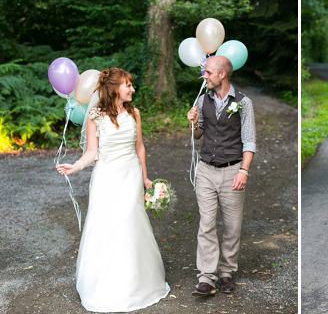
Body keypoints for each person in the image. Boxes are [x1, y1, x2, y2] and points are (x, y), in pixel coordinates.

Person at [56, 68, 170, 312]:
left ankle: (135, 284)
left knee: (129, 222)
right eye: (128, 85)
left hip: (130, 175)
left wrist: (145, 178)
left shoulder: (134, 113)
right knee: (107, 227)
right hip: (106, 177)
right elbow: (91, 152)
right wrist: (75, 166)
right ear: (115, 88)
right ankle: (105, 284)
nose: (132, 89)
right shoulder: (95, 115)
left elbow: (140, 147)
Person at [187, 56, 256, 296]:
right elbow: (198, 135)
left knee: (232, 226)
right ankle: (206, 277)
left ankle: (227, 272)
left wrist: (244, 171)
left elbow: (249, 141)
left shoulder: (243, 103)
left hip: (232, 170)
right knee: (206, 224)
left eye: (207, 73)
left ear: (222, 75)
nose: (204, 76)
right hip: (205, 169)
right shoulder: (201, 99)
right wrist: (194, 123)